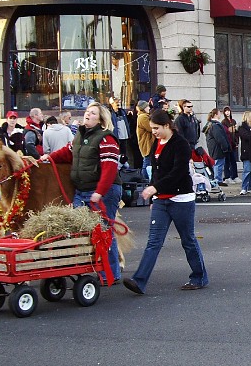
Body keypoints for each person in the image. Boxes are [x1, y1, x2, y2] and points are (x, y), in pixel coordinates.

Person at [121, 109, 209, 295]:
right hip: (162, 200)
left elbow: (177, 173)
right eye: (152, 128)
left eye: (156, 128)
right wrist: (155, 195)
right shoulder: (156, 143)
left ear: (167, 126)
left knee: (188, 240)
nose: (153, 132)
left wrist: (155, 188)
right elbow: (157, 172)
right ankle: (139, 281)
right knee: (154, 242)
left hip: (181, 199)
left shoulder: (181, 144)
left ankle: (199, 276)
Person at [41, 103, 124, 283]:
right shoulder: (79, 135)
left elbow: (109, 169)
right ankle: (89, 268)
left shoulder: (106, 139)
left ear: (100, 119)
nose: (87, 115)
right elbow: (68, 152)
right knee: (82, 231)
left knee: (103, 231)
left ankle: (110, 273)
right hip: (83, 190)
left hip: (103, 191)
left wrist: (99, 192)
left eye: (92, 113)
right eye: (87, 112)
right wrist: (50, 157)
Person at [204, 108, 231, 185]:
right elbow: (220, 138)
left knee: (218, 164)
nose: (220, 114)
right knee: (218, 164)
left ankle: (217, 179)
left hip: (215, 148)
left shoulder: (211, 124)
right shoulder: (215, 125)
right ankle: (217, 180)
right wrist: (225, 147)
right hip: (217, 148)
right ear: (216, 114)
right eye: (219, 113)